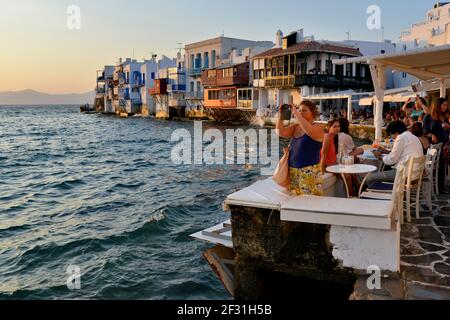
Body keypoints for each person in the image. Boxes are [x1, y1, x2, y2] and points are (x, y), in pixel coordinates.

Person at [276, 100, 325, 196]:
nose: (300, 112)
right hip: (293, 172)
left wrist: (296, 113)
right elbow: (280, 132)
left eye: (304, 110)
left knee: (310, 202)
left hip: (309, 172)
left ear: (313, 112)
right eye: (299, 110)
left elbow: (309, 131)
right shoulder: (296, 127)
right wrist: (282, 115)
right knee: (296, 200)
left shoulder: (319, 127)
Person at [365, 121, 423, 185]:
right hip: (415, 173)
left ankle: (367, 192)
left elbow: (392, 160)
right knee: (380, 172)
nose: (392, 137)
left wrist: (380, 156)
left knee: (369, 177)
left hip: (404, 174)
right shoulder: (413, 136)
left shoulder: (400, 137)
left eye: (391, 134)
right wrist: (389, 152)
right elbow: (404, 153)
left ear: (396, 132)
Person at [428, 98, 449, 193]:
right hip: (433, 148)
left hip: (444, 145)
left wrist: (448, 127)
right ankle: (439, 188)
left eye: (446, 105)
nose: (446, 107)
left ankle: (442, 186)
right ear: (438, 105)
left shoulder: (444, 117)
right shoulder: (429, 117)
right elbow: (424, 132)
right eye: (444, 105)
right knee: (439, 166)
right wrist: (432, 134)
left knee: (443, 165)